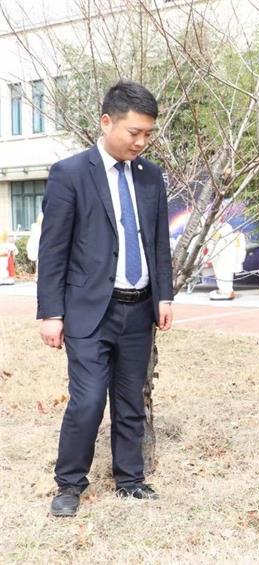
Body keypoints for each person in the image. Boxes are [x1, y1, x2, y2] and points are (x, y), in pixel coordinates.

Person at [37, 81, 174, 517]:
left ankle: (130, 479)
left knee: (131, 398)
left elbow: (158, 242)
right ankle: (69, 483)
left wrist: (164, 296)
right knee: (89, 399)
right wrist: (50, 312)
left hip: (140, 306)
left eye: (148, 134)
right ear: (106, 122)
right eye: (134, 132)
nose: (141, 142)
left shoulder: (150, 176)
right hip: (89, 310)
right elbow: (53, 248)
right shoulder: (71, 173)